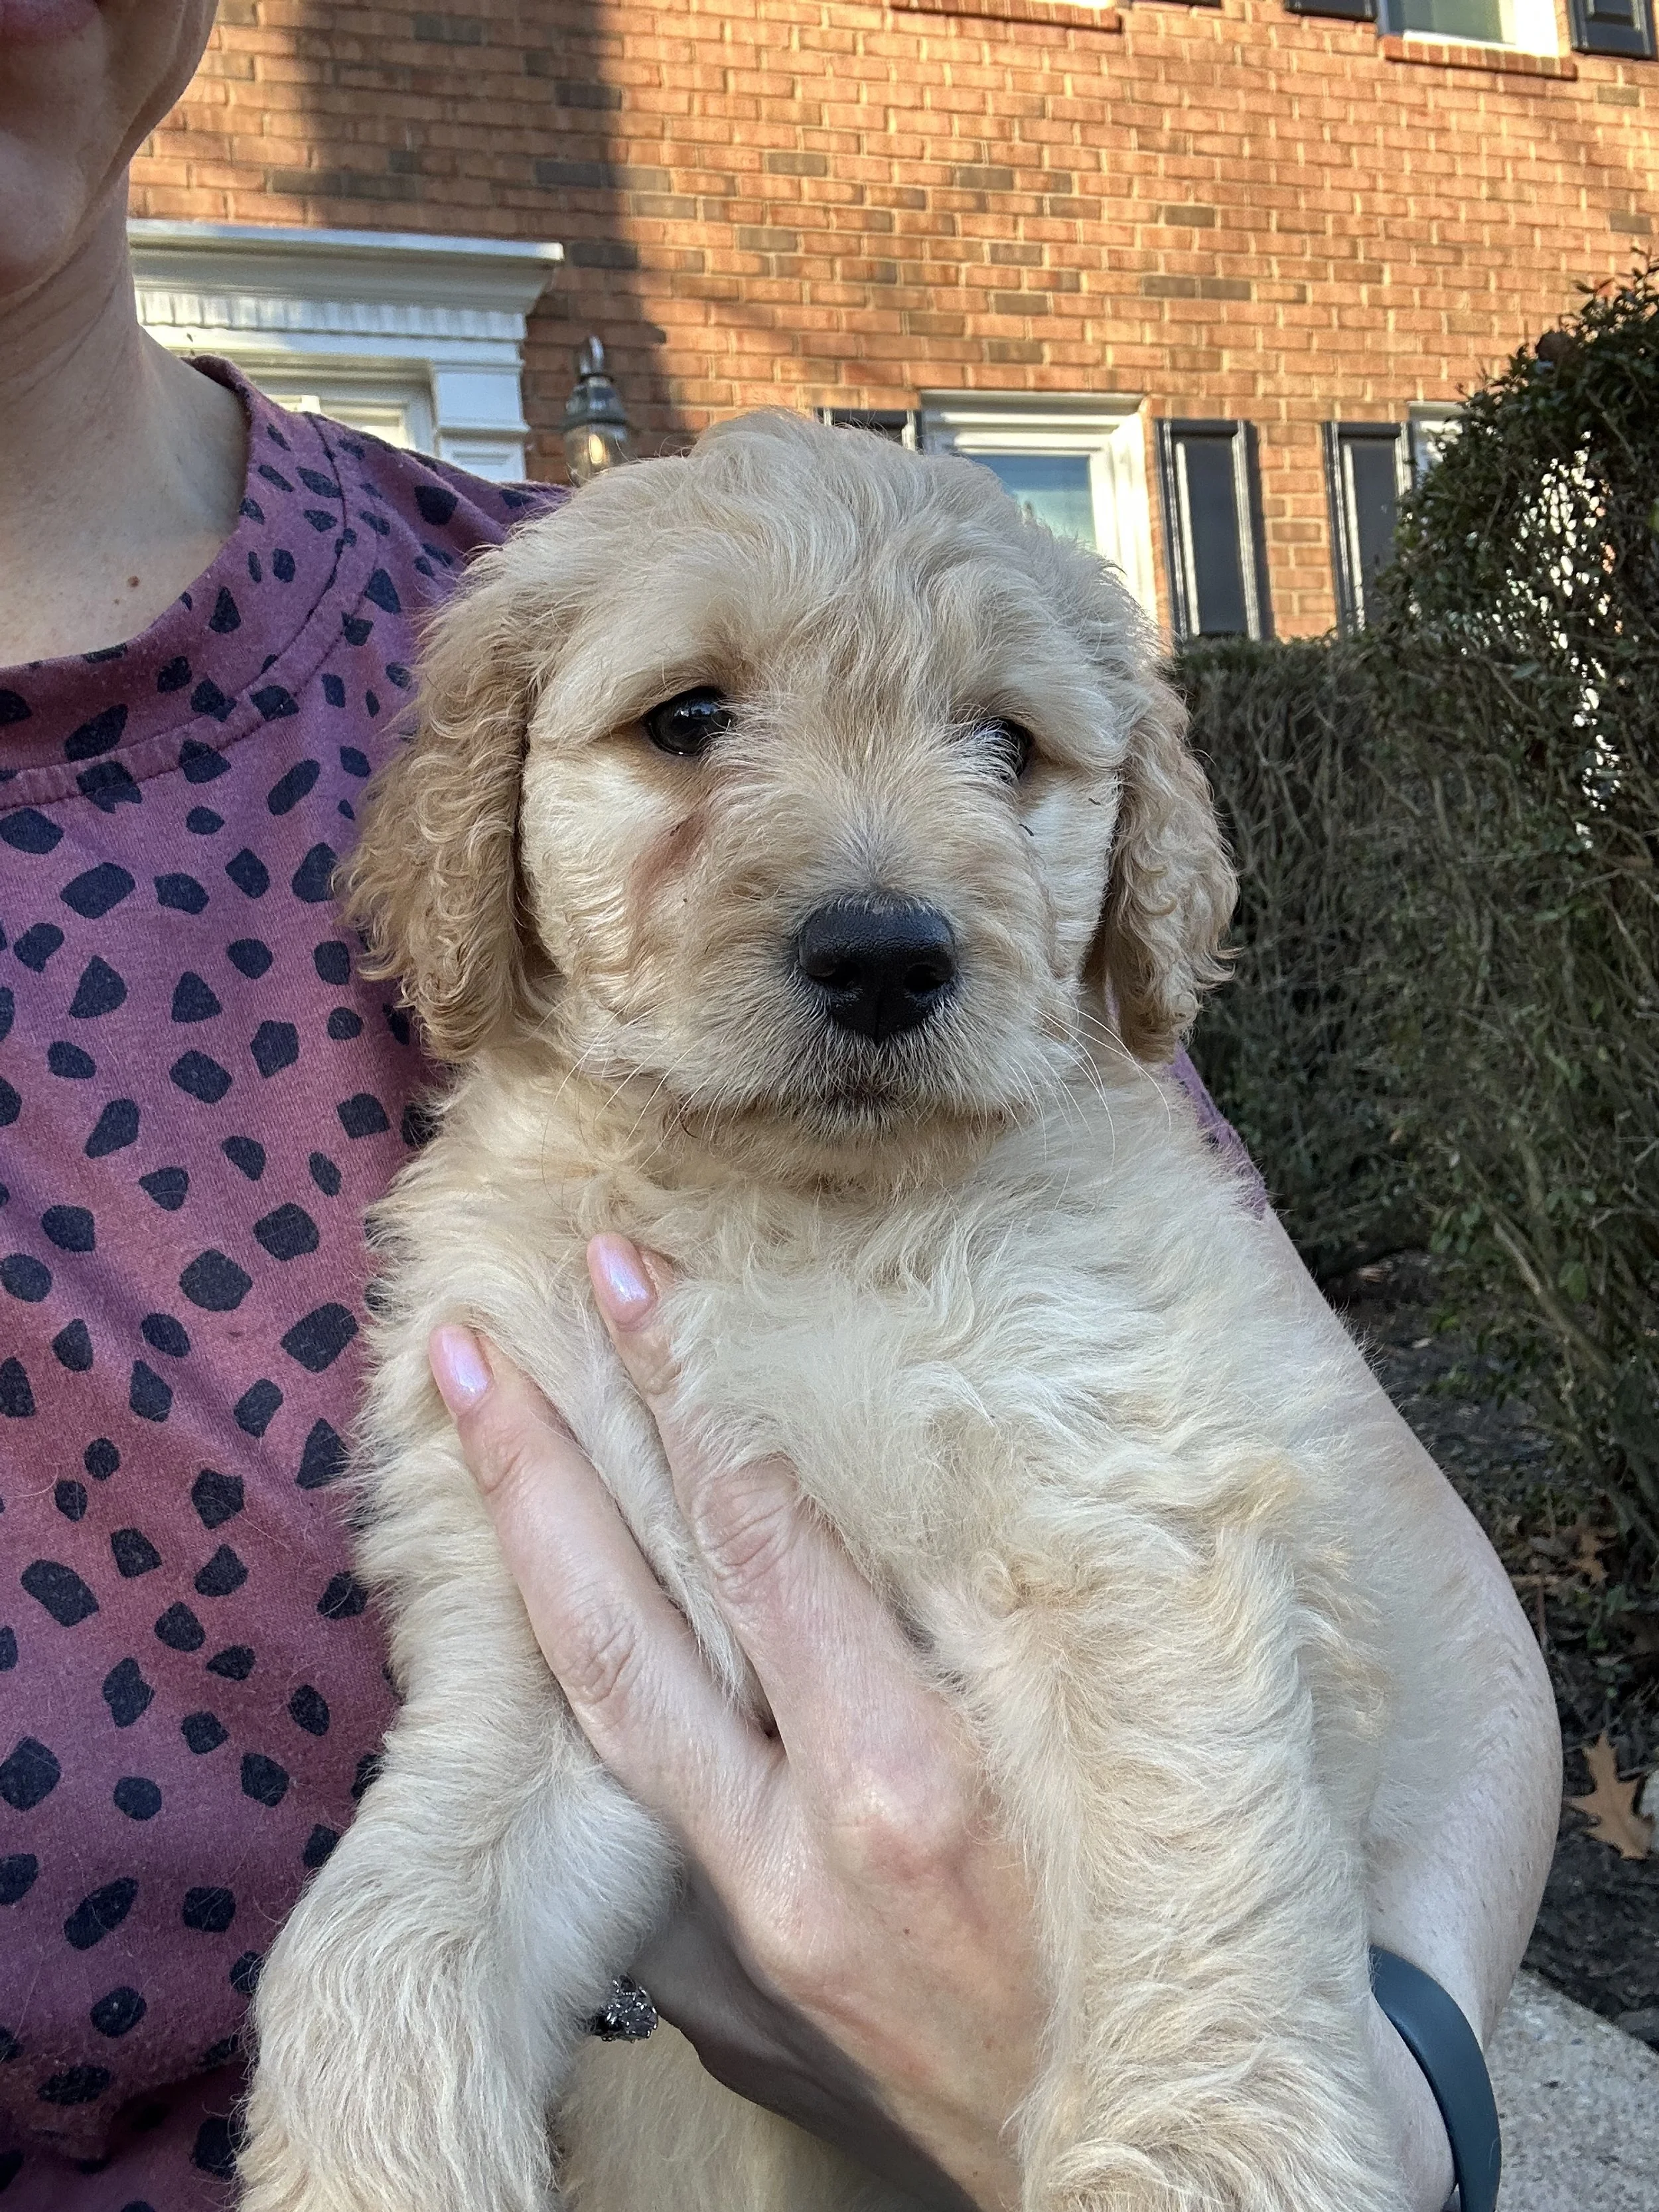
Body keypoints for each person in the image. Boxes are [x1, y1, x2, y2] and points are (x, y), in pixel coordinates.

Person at [0, 7, 1561, 2209]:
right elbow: (503, 1775)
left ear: (1126, 843)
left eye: (1002, 749)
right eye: (695, 718)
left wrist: (1360, 2097)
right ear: (476, 827)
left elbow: (1338, 1640)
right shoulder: (504, 1217)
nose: (874, 896)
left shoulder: (1072, 1159)